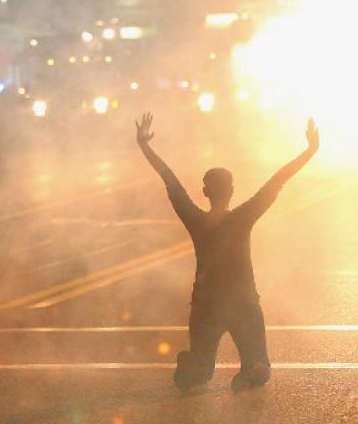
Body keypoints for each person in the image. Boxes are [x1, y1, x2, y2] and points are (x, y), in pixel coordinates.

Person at [135, 112, 319, 392]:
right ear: (232, 190)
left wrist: (145, 146)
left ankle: (196, 364)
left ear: (205, 191)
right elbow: (278, 180)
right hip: (243, 303)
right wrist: (310, 150)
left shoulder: (196, 220)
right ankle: (251, 368)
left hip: (206, 306)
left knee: (197, 374)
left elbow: (169, 180)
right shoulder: (242, 218)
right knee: (259, 367)